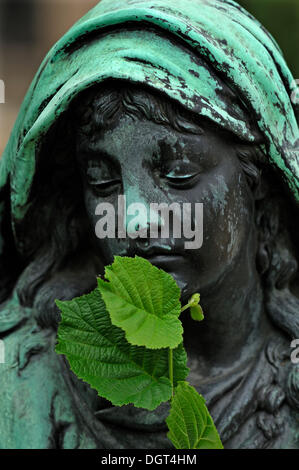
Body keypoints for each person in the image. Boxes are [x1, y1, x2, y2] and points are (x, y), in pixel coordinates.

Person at [0, 0, 298, 449]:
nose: (134, 217)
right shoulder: (21, 380)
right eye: (102, 180)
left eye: (178, 174)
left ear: (257, 178)